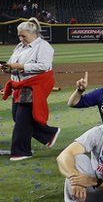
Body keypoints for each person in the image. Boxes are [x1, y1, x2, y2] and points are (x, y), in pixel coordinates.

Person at [3, 18, 60, 161]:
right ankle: (49, 134)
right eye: (19, 36)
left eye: (24, 36)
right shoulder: (19, 47)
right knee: (17, 116)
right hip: (19, 85)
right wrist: (7, 67)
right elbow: (13, 63)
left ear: (34, 34)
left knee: (22, 119)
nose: (21, 39)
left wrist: (21, 66)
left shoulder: (43, 46)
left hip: (33, 85)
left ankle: (21, 151)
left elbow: (44, 66)